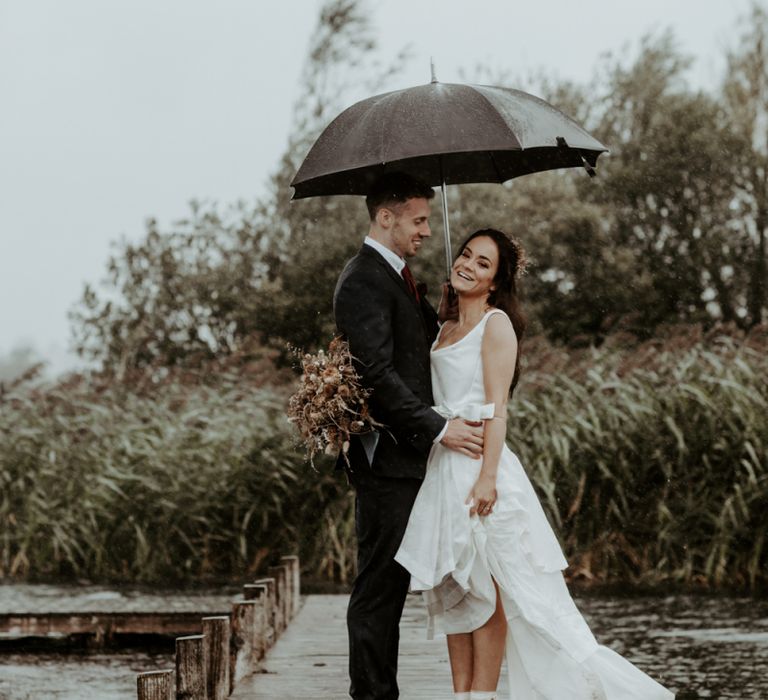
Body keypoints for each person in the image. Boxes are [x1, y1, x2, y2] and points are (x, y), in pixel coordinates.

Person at [395, 229, 675, 700]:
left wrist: (487, 477)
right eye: (466, 254)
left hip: (480, 470)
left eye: (483, 263)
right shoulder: (443, 329)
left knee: (490, 595)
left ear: (495, 281)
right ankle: (460, 695)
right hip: (442, 468)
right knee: (457, 594)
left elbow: (497, 408)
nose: (468, 264)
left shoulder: (496, 323)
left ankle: (484, 697)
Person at [333, 172, 486, 700]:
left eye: (426, 219)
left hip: (411, 461)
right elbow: (376, 375)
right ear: (386, 217)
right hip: (387, 462)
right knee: (379, 589)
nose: (425, 230)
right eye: (418, 219)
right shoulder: (362, 279)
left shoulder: (398, 276)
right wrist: (440, 427)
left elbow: (413, 354)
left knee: (393, 587)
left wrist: (442, 314)